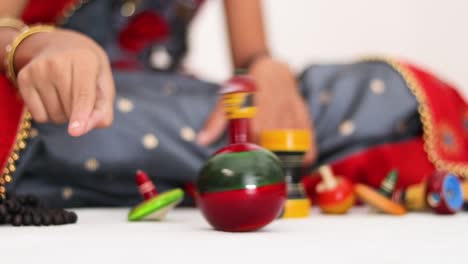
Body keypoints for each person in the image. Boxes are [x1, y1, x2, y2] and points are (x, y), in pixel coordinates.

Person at [0, 0, 466, 208]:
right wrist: (32, 46)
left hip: (168, 98)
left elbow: (251, 56)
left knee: (385, 87)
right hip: (55, 94)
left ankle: (236, 168)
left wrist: (265, 70)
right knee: (85, 120)